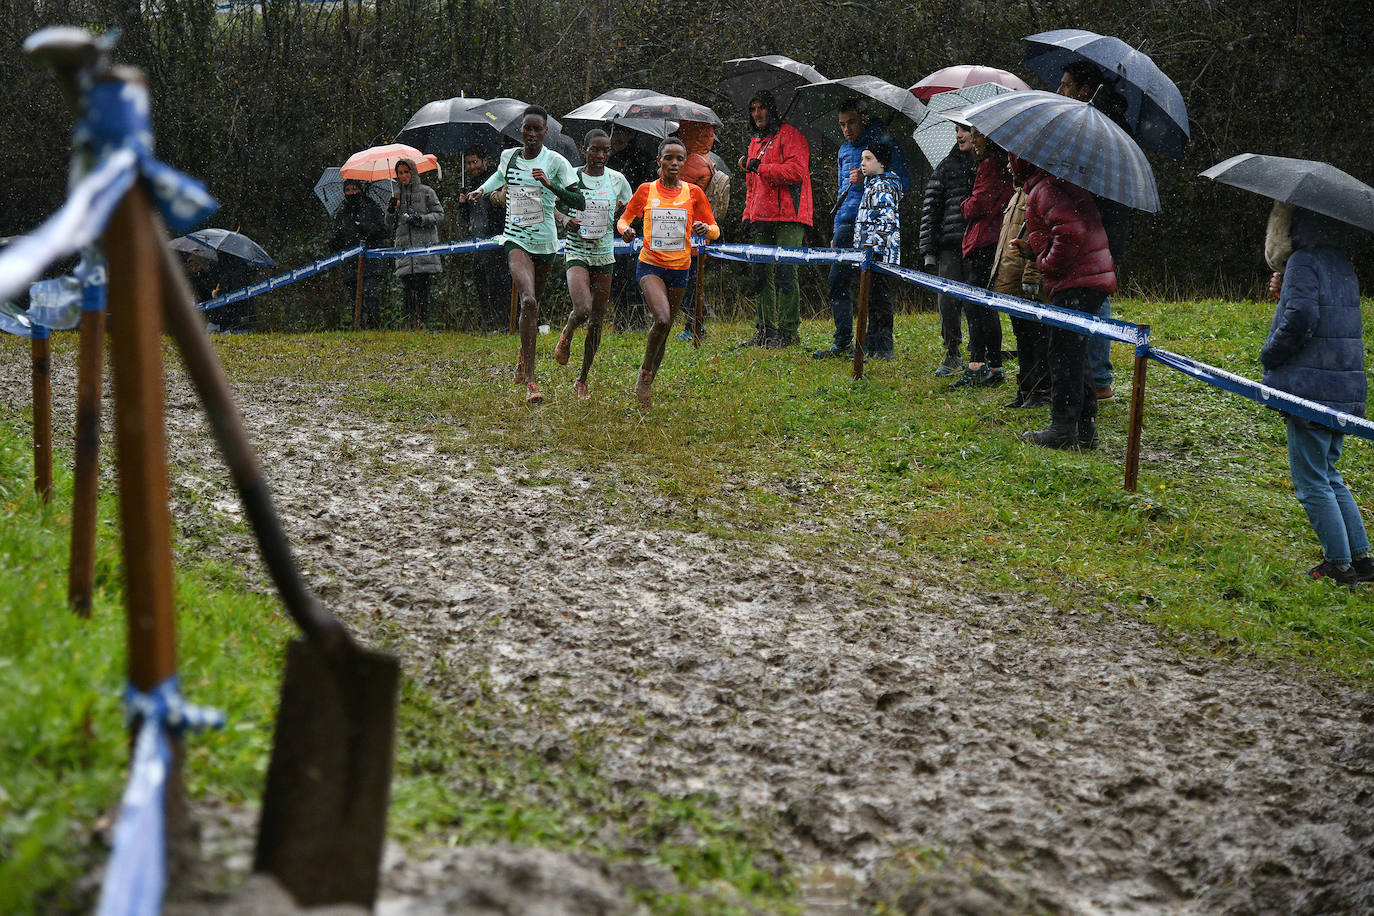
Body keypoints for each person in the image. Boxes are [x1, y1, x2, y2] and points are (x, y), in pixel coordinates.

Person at [1260, 203, 1370, 585]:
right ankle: (1361, 558)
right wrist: (1286, 288)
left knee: (1310, 481)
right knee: (1329, 473)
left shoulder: (1304, 261)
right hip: (1343, 385)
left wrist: (1270, 352)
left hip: (1312, 389)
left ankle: (1338, 565)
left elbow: (1302, 319)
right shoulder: (1341, 263)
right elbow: (1321, 315)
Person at [466, 106, 585, 404]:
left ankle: (523, 353)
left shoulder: (556, 161)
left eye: (537, 129)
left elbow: (578, 199)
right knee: (528, 300)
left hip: (545, 242)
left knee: (534, 305)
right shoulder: (509, 157)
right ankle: (532, 381)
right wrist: (481, 190)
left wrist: (550, 184)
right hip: (515, 238)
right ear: (521, 130)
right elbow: (497, 178)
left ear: (545, 132)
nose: (531, 134)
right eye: (527, 129)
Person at [1009, 153, 1114, 449]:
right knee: (1074, 352)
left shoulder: (1046, 188)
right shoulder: (1053, 183)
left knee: (1063, 354)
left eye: (1011, 159)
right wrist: (1033, 249)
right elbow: (1065, 229)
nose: (1008, 165)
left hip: (1077, 280)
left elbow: (1071, 233)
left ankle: (1063, 428)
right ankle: (1084, 426)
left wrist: (1045, 262)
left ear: (1024, 162)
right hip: (1087, 277)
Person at [617, 137, 720, 409]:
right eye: (669, 158)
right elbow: (624, 218)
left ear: (685, 162)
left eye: (679, 159)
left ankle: (647, 380)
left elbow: (715, 228)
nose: (674, 163)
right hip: (650, 264)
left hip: (680, 269)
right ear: (659, 162)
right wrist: (625, 231)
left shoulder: (694, 193)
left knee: (664, 328)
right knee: (661, 319)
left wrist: (704, 230)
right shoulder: (646, 190)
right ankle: (643, 376)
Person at [1056, 60, 1131, 401]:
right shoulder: (1090, 122)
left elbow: (1099, 182)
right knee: (1090, 293)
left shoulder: (1104, 126)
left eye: (1067, 85)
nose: (1060, 92)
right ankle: (1093, 374)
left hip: (1102, 221)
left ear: (1085, 90)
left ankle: (1098, 378)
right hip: (1095, 219)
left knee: (1094, 295)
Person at [814, 99, 909, 359]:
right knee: (837, 281)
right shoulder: (844, 150)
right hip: (845, 224)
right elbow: (840, 191)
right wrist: (835, 230)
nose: (846, 129)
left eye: (851, 122)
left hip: (871, 227)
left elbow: (900, 181)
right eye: (842, 124)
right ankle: (843, 342)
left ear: (864, 119)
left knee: (875, 285)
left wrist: (868, 176)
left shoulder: (883, 143)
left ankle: (879, 344)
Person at [551, 129, 634, 399]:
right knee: (583, 309)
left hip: (604, 253)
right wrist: (565, 222)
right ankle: (568, 330)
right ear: (584, 148)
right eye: (595, 150)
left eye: (606, 150)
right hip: (576, 250)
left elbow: (628, 213)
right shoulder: (571, 177)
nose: (600, 156)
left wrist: (625, 227)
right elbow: (550, 206)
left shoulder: (617, 180)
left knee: (597, 320)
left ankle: (582, 380)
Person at [736, 90, 812, 349]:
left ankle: (789, 333)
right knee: (760, 274)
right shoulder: (755, 141)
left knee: (785, 272)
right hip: (761, 215)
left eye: (762, 107)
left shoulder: (791, 136)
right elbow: (751, 185)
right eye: (753, 108)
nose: (757, 113)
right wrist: (748, 214)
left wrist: (761, 167)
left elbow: (797, 171)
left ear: (772, 109)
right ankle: (765, 330)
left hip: (790, 214)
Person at [949, 124, 1012, 388]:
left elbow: (980, 203)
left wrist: (965, 203)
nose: (972, 140)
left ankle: (978, 363)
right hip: (992, 238)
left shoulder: (990, 165)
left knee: (976, 304)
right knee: (986, 304)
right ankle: (993, 365)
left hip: (985, 239)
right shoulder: (1000, 164)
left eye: (975, 135)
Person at [989, 161, 1050, 409]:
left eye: (1013, 160)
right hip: (1013, 281)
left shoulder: (1039, 194)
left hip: (1027, 284)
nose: (1007, 165)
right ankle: (1025, 388)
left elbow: (1039, 238)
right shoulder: (1018, 193)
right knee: (1022, 336)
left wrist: (1032, 277)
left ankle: (1041, 391)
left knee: (1037, 337)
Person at [919, 122, 977, 375]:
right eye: (956, 129)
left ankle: (980, 355)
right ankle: (952, 351)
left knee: (978, 302)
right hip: (951, 244)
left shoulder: (990, 165)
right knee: (948, 300)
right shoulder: (946, 166)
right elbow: (931, 207)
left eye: (965, 130)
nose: (959, 135)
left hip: (980, 244)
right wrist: (928, 249)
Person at [852, 142, 902, 359]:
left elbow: (886, 221)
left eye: (869, 158)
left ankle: (882, 346)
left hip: (877, 256)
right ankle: (871, 345)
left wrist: (875, 249)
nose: (863, 163)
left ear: (881, 163)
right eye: (862, 158)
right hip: (867, 255)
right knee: (870, 298)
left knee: (879, 299)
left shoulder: (883, 187)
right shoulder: (871, 185)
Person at [607, 125, 657, 331]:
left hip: (639, 225)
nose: (616, 136)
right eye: (613, 131)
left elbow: (650, 190)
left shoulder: (644, 158)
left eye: (621, 132)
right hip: (612, 224)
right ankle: (620, 321)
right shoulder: (606, 159)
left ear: (631, 134)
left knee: (636, 273)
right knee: (616, 274)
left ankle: (638, 321)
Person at [456, 145, 511, 331]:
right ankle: (489, 323)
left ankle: (504, 323)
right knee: (482, 286)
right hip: (476, 241)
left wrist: (485, 197)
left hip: (495, 240)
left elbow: (502, 208)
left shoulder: (494, 180)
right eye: (469, 163)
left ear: (485, 161)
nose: (472, 167)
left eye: (475, 162)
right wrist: (463, 204)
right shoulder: (469, 185)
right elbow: (467, 218)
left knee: (499, 284)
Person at [386, 158, 444, 331]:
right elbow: (389, 223)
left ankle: (421, 323)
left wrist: (421, 219)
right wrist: (391, 211)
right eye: (400, 173)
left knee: (421, 289)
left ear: (413, 172)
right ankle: (409, 324)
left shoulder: (427, 192)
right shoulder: (395, 195)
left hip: (423, 249)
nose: (403, 176)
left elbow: (439, 215)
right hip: (404, 250)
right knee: (407, 290)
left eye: (406, 171)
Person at [675, 118, 719, 341]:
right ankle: (693, 324)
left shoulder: (691, 162)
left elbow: (675, 192)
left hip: (689, 231)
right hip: (698, 232)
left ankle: (694, 326)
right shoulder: (705, 159)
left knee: (688, 284)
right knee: (692, 282)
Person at [330, 179, 390, 329]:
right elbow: (335, 238)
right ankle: (359, 328)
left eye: (354, 188)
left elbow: (383, 232)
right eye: (348, 190)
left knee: (371, 296)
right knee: (355, 300)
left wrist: (366, 228)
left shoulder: (372, 207)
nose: (352, 192)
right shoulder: (342, 213)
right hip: (350, 264)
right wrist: (335, 241)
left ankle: (374, 327)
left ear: (360, 189)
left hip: (371, 263)